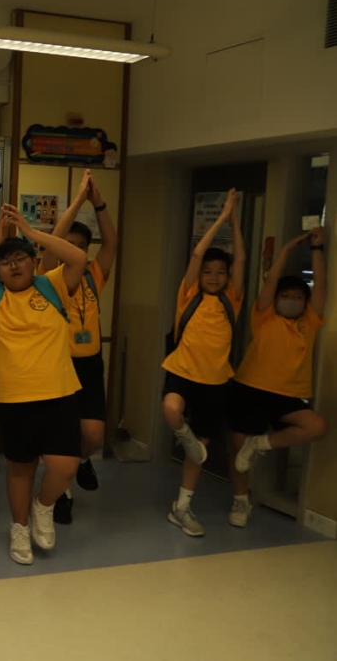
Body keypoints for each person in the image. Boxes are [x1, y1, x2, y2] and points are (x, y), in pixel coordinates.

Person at [0, 204, 88, 565]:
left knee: (64, 466)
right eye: (5, 262)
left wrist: (30, 232)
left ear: (33, 262)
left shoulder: (53, 285)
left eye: (20, 259)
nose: (13, 266)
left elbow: (78, 258)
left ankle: (43, 506)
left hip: (59, 393)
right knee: (20, 468)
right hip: (14, 398)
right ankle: (19, 528)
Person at [228, 227, 328, 527]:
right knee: (237, 449)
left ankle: (261, 443)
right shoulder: (264, 316)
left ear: (305, 302)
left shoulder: (310, 322)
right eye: (285, 296)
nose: (291, 300)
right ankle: (241, 501)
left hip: (288, 395)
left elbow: (321, 286)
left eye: (298, 297)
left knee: (316, 426)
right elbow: (271, 279)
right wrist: (288, 248)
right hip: (250, 388)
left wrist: (317, 250)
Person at [161, 189, 245, 537]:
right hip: (182, 372)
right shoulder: (188, 295)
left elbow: (241, 260)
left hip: (216, 382)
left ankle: (182, 507)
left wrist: (234, 220)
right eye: (208, 272)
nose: (213, 276)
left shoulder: (232, 299)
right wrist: (222, 216)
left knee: (199, 454)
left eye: (220, 272)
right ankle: (185, 437)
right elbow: (197, 253)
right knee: (171, 409)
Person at [38, 169, 118, 524]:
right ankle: (61, 493)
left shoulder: (94, 276)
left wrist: (98, 203)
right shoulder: (48, 277)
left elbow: (111, 243)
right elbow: (52, 241)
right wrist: (76, 202)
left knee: (93, 436)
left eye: (82, 247)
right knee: (61, 437)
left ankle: (84, 461)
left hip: (89, 364)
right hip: (58, 365)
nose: (75, 251)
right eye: (69, 245)